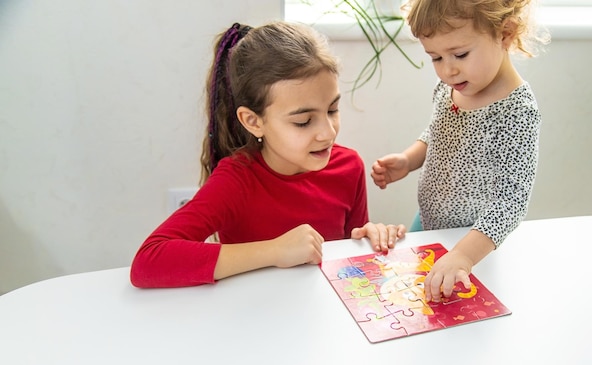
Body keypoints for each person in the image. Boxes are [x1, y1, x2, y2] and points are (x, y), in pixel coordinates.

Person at [131, 21, 406, 288]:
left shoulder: (348, 166)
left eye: (332, 110)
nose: (328, 132)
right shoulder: (236, 180)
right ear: (253, 121)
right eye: (303, 121)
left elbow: (348, 260)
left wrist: (366, 237)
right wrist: (274, 251)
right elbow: (149, 261)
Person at [371, 0, 549, 302]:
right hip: (427, 221)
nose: (447, 69)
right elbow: (437, 132)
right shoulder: (454, 86)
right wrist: (409, 159)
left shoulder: (517, 111)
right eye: (435, 57)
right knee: (412, 302)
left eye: (460, 54)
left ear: (505, 33)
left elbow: (511, 201)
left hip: (472, 243)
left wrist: (464, 256)